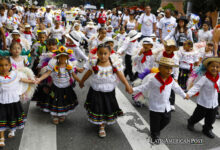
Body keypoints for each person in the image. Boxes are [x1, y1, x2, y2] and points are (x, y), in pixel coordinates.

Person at [79, 44, 133, 138]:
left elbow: (121, 75)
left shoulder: (114, 63)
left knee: (107, 106)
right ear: (97, 53)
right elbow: (88, 73)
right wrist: (82, 81)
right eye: (100, 53)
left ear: (109, 54)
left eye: (105, 53)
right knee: (98, 106)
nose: (103, 56)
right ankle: (101, 126)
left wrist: (127, 86)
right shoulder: (94, 63)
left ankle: (103, 121)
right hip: (96, 89)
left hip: (109, 90)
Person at [133, 57, 188, 144]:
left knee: (167, 119)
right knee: (155, 122)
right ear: (159, 68)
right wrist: (133, 90)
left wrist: (184, 95)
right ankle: (154, 134)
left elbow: (177, 88)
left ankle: (156, 130)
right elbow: (144, 87)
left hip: (166, 105)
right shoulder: (153, 79)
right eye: (166, 68)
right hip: (155, 105)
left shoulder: (171, 80)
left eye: (170, 68)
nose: (169, 70)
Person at [36, 46, 80, 125]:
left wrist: (80, 81)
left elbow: (74, 75)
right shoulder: (53, 64)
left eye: (64, 57)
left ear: (67, 57)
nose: (62, 58)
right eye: (61, 57)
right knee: (54, 100)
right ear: (58, 57)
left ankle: (62, 114)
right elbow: (47, 73)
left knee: (64, 101)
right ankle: (55, 116)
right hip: (55, 86)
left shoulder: (69, 65)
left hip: (66, 87)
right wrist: (40, 79)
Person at [0, 56, 35, 147]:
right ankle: (2, 137)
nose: (4, 67)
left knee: (12, 116)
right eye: (1, 65)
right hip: (2, 102)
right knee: (1, 119)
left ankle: (12, 130)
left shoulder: (15, 74)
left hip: (13, 102)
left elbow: (23, 80)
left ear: (10, 65)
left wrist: (33, 81)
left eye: (6, 65)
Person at [187, 57, 220, 139]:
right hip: (203, 102)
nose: (215, 68)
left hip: (214, 103)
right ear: (207, 67)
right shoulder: (204, 78)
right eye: (212, 66)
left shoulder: (219, 78)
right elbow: (196, 87)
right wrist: (188, 94)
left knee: (211, 118)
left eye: (217, 67)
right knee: (198, 115)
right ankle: (191, 121)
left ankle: (207, 129)